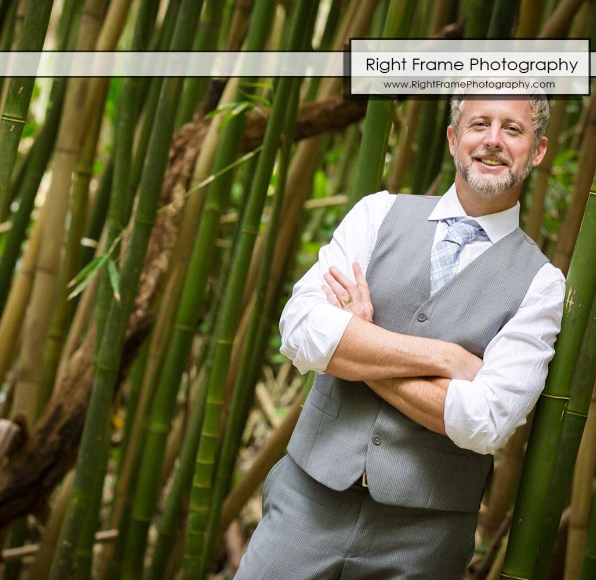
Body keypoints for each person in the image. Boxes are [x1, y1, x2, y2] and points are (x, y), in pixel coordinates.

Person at [235, 92, 566, 579]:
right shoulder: (377, 214)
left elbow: (485, 421)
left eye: (512, 129)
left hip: (424, 538)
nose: (492, 141)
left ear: (537, 150)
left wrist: (356, 346)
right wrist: (445, 358)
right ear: (454, 139)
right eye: (479, 125)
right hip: (308, 502)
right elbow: (302, 330)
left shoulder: (542, 283)